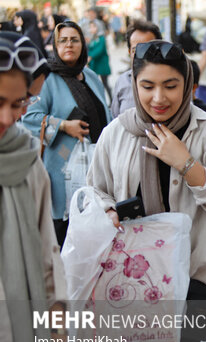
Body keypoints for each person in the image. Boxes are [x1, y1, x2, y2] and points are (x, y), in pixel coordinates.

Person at [87, 40, 206, 342]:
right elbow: (95, 190)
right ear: (134, 84)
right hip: (125, 286)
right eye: (148, 86)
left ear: (190, 85)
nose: (158, 97)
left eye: (171, 86)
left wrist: (187, 164)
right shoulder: (117, 133)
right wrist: (107, 210)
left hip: (190, 285)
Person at [0, 34, 66, 342]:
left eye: (17, 104)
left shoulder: (28, 165)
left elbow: (46, 257)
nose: (8, 118)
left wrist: (56, 331)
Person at [22, 20, 111, 246]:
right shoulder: (47, 78)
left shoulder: (90, 75)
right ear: (54, 45)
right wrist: (63, 125)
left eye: (74, 40)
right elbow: (28, 118)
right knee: (65, 230)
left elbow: (106, 112)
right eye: (62, 40)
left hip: (95, 164)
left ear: (83, 44)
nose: (68, 44)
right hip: (62, 166)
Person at [110, 19, 161, 118]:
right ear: (129, 52)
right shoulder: (122, 82)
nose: (142, 54)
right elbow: (115, 119)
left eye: (148, 48)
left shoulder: (174, 80)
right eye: (135, 50)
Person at [87, 20, 112, 103]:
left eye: (93, 26)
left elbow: (100, 50)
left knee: (105, 83)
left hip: (102, 64)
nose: (91, 29)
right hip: (95, 65)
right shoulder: (92, 38)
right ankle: (101, 101)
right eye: (90, 27)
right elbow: (90, 49)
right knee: (96, 84)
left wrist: (91, 56)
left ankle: (111, 100)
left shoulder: (101, 38)